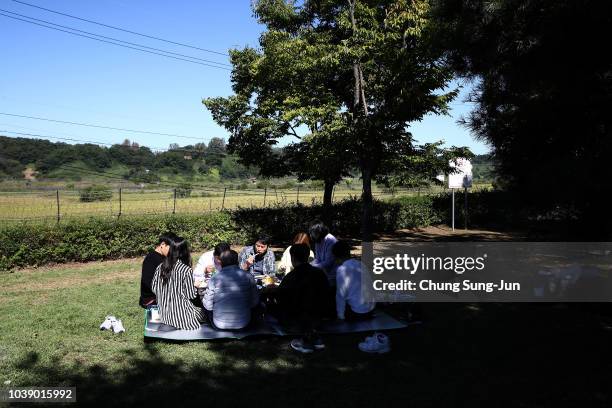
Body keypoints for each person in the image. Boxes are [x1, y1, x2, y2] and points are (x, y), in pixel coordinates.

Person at [268, 244, 330, 353]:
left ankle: (304, 340)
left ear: (292, 258)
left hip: (296, 322)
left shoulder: (290, 277)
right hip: (319, 318)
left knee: (269, 307)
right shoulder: (320, 273)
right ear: (307, 257)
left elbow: (281, 300)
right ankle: (314, 337)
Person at [151, 236, 205, 330]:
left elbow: (154, 288)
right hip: (182, 316)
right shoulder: (185, 270)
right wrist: (194, 286)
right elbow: (191, 295)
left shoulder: (160, 267)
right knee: (205, 313)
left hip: (164, 315)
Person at [202, 250, 260, 330]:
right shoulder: (248, 276)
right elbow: (255, 301)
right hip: (245, 323)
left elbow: (207, 305)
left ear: (221, 262)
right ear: (237, 261)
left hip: (219, 324)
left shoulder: (214, 278)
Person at [332, 240, 376, 321]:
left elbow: (340, 296)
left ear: (336, 257)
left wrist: (340, 316)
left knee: (333, 298)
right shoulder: (361, 264)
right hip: (371, 308)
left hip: (358, 312)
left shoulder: (342, 270)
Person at [139, 232, 177, 308]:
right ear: (162, 244)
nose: (173, 251)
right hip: (152, 298)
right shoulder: (151, 259)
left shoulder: (166, 257)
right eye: (171, 248)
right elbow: (148, 281)